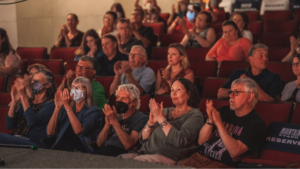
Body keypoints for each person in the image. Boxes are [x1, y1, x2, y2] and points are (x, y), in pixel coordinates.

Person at [177, 78, 266, 168]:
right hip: (197, 157)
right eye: (230, 92)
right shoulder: (224, 111)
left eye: (236, 92)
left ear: (250, 97)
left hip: (219, 165)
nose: (231, 96)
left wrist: (219, 124)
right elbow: (201, 141)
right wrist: (210, 121)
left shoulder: (256, 124)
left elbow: (235, 152)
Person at [119, 78, 204, 165]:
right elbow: (143, 139)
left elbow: (180, 140)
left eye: (178, 89)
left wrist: (160, 118)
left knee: (135, 163)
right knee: (119, 160)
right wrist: (150, 123)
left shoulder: (195, 115)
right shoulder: (165, 111)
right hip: (144, 153)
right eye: (172, 90)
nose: (174, 93)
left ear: (188, 93)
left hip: (169, 157)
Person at [0, 69, 56, 148]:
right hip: (18, 138)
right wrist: (14, 102)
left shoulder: (51, 104)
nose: (34, 83)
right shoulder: (28, 102)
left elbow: (32, 121)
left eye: (38, 81)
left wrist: (23, 96)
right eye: (33, 80)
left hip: (34, 143)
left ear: (48, 85)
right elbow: (9, 125)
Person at [47, 77, 102, 153]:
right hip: (60, 147)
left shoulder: (94, 111)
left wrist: (67, 107)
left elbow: (79, 131)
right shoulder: (68, 108)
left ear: (87, 90)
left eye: (78, 87)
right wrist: (57, 108)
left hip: (79, 149)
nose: (74, 90)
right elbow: (50, 132)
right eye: (73, 87)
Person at [217, 43, 285, 102]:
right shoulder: (237, 73)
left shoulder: (274, 77)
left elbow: (270, 101)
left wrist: (252, 85)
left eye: (266, 56)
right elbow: (220, 94)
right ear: (250, 59)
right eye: (261, 56)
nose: (265, 59)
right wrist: (237, 91)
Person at [96, 84, 148, 157]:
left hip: (122, 153)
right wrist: (107, 125)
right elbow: (99, 144)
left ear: (134, 102)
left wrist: (114, 121)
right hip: (106, 150)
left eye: (123, 98)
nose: (119, 101)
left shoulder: (141, 118)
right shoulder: (115, 116)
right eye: (117, 97)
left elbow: (129, 145)